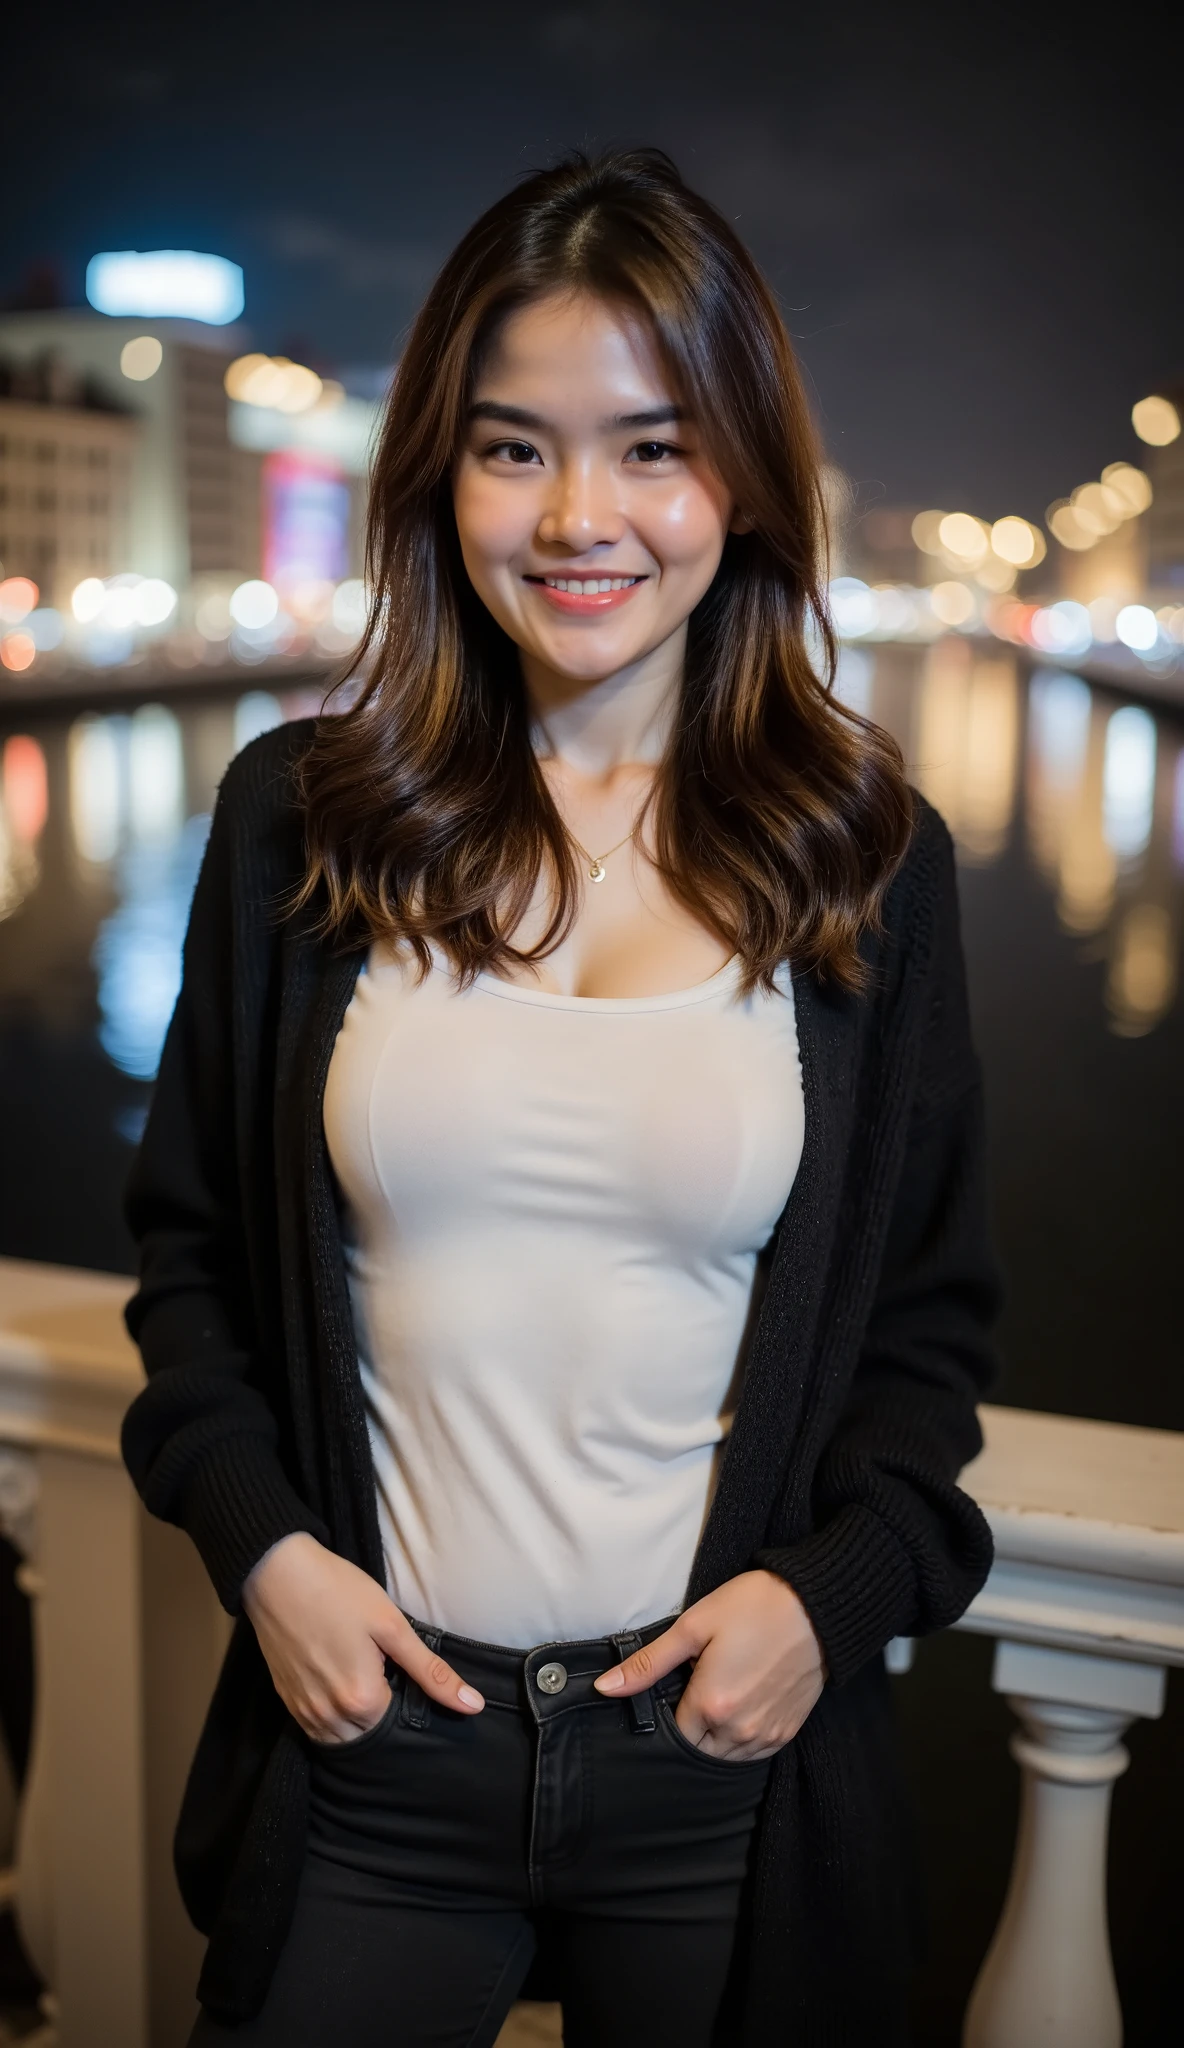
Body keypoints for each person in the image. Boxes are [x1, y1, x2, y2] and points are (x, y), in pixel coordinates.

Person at [121, 148, 998, 2048]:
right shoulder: (299, 823)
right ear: (440, 476)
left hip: (718, 1763)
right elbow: (189, 1266)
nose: (580, 516)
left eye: (651, 449)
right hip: (371, 1744)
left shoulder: (867, 864)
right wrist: (267, 1550)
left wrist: (828, 1598)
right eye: (515, 447)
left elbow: (928, 1332)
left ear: (741, 481)